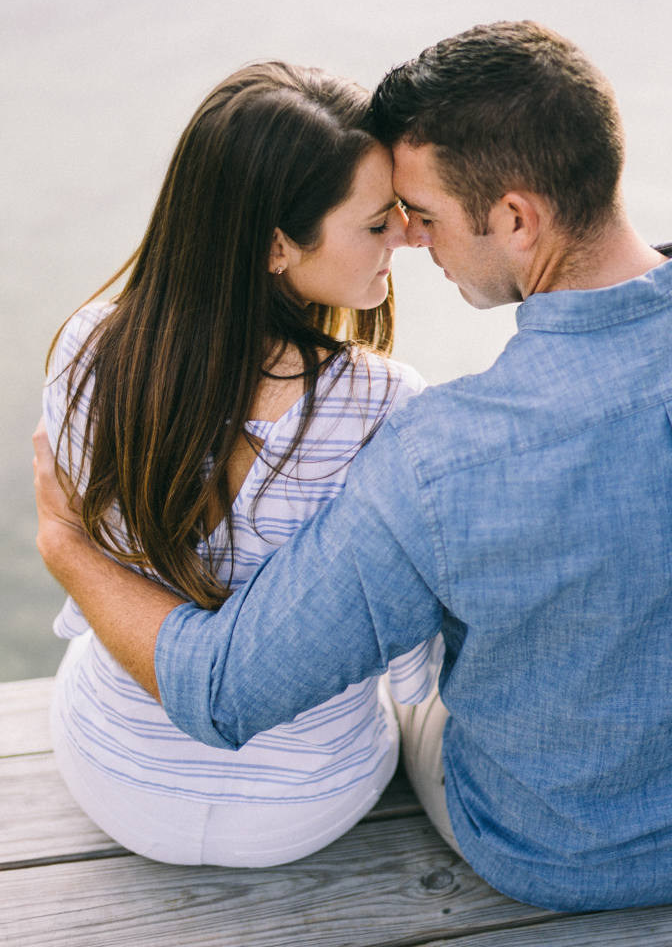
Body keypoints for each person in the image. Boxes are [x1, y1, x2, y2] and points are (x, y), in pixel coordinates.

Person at [34, 20, 672, 912]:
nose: (415, 243)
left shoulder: (448, 453)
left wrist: (64, 542)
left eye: (425, 217)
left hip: (548, 848)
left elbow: (224, 687)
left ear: (516, 218)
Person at [40, 60, 440, 868]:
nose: (407, 234)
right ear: (276, 247)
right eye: (376, 223)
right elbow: (410, 670)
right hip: (305, 808)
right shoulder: (386, 406)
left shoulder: (88, 347)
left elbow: (88, 569)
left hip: (114, 780)